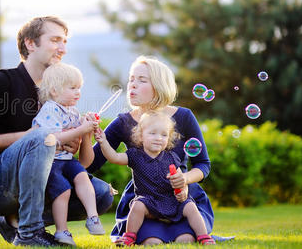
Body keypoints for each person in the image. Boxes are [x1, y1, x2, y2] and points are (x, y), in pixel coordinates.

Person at [0, 16, 113, 247]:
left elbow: (79, 161)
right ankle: (30, 234)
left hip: (43, 178)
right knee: (42, 136)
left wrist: (76, 138)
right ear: (31, 44)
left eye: (65, 42)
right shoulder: (2, 81)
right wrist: (37, 138)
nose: (62, 48)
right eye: (55, 40)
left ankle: (15, 222)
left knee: (101, 194)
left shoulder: (58, 96)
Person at [86, 55, 216, 245]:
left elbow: (203, 164)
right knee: (151, 241)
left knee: (186, 239)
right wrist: (84, 134)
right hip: (144, 199)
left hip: (182, 196)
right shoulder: (123, 122)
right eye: (131, 79)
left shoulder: (184, 116)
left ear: (159, 85)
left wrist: (185, 179)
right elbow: (91, 163)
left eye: (141, 80)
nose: (132, 85)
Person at [95, 111, 216, 245]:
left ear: (169, 139)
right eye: (152, 133)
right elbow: (114, 157)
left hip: (171, 200)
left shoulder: (172, 157)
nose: (158, 138)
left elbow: (179, 179)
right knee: (137, 205)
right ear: (141, 136)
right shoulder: (135, 155)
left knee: (191, 206)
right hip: (149, 201)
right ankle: (129, 236)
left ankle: (204, 237)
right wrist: (103, 142)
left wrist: (183, 190)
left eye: (164, 135)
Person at [32, 62, 105, 246]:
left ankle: (93, 217)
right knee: (63, 191)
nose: (78, 92)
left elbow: (76, 131)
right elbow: (53, 139)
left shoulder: (71, 110)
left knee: (83, 177)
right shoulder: (50, 109)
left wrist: (86, 123)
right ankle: (61, 231)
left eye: (79, 88)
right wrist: (81, 129)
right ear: (55, 91)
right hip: (50, 162)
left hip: (66, 159)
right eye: (72, 88)